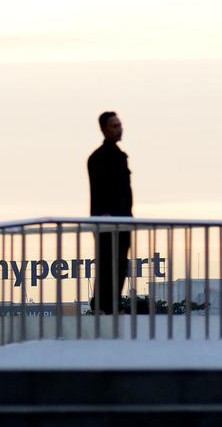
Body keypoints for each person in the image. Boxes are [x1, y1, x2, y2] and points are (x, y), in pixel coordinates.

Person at [88, 111, 133, 314]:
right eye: (114, 126)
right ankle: (103, 305)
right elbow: (99, 189)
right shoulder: (99, 158)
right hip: (107, 220)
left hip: (123, 219)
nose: (119, 129)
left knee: (119, 263)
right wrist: (104, 214)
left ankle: (109, 304)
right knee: (108, 262)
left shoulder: (118, 156)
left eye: (119, 125)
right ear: (104, 129)